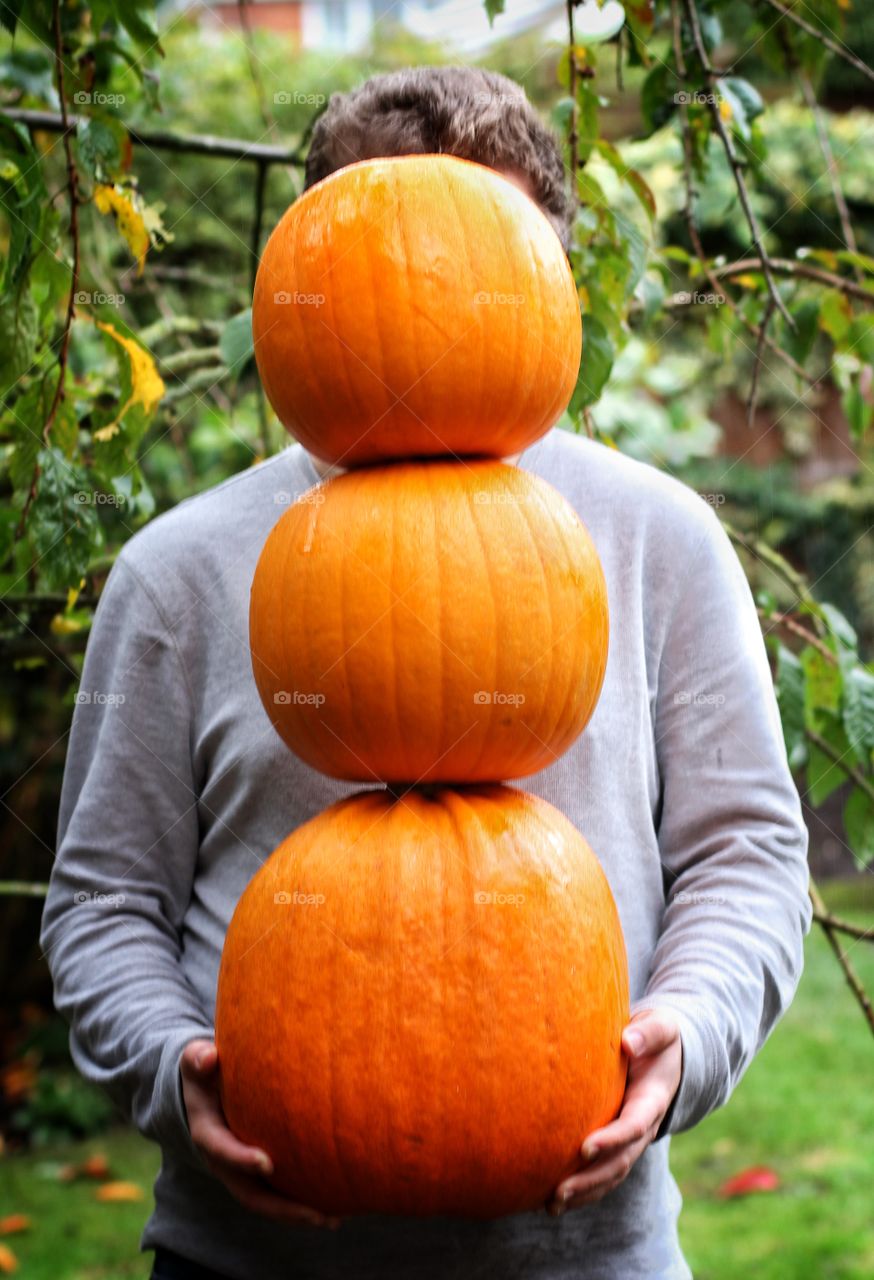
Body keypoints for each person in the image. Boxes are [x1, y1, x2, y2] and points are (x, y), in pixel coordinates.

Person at [41, 66, 811, 1280]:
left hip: (583, 1252)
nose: (432, 307)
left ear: (544, 283)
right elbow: (102, 901)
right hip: (247, 1253)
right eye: (397, 268)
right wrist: (165, 1061)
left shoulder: (656, 538)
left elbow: (745, 851)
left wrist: (689, 1031)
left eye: (474, 265)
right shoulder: (180, 570)